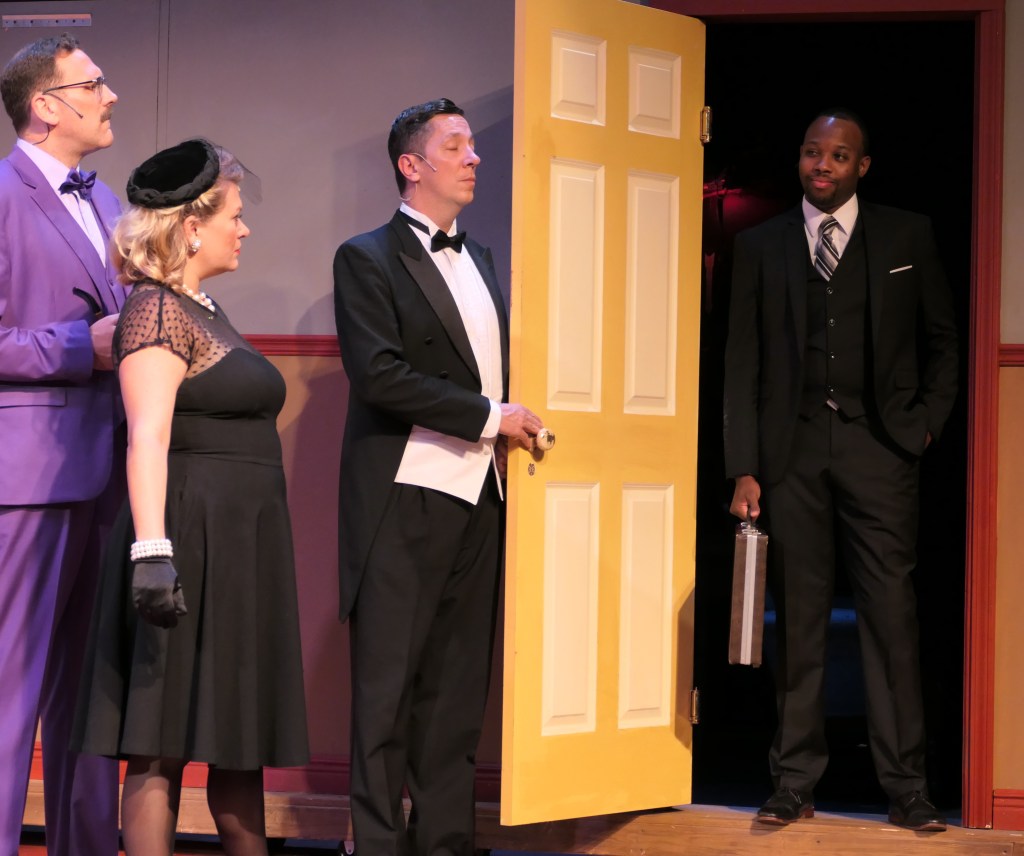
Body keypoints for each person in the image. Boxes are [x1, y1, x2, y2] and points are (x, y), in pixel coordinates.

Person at [723, 109, 958, 832]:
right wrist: (745, 467)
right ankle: (793, 781)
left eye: (837, 155)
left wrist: (923, 425)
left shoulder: (906, 235)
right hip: (791, 454)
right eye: (811, 152)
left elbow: (943, 340)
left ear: (862, 166)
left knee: (890, 616)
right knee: (798, 618)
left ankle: (907, 786)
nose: (821, 164)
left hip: (880, 448)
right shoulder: (760, 244)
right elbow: (742, 362)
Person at [73, 139, 309, 856]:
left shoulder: (203, 309)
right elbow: (146, 437)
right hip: (187, 538)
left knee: (237, 738)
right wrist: (152, 554)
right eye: (234, 216)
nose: (245, 229)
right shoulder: (155, 310)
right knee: (159, 740)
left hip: (239, 547)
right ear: (191, 226)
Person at [333, 98, 542, 856]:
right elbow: (380, 375)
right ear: (411, 164)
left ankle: (446, 841)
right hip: (405, 494)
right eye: (455, 145)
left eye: (472, 145)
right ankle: (377, 844)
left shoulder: (480, 256)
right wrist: (491, 416)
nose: (473, 157)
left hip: (481, 494)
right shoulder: (366, 257)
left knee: (456, 692)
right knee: (387, 691)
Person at [0, 32, 122, 856]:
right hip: (31, 475)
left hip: (110, 470)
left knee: (92, 698)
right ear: (46, 105)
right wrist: (83, 346)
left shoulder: (107, 198)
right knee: (10, 692)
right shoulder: (2, 194)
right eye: (94, 83)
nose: (110, 96)